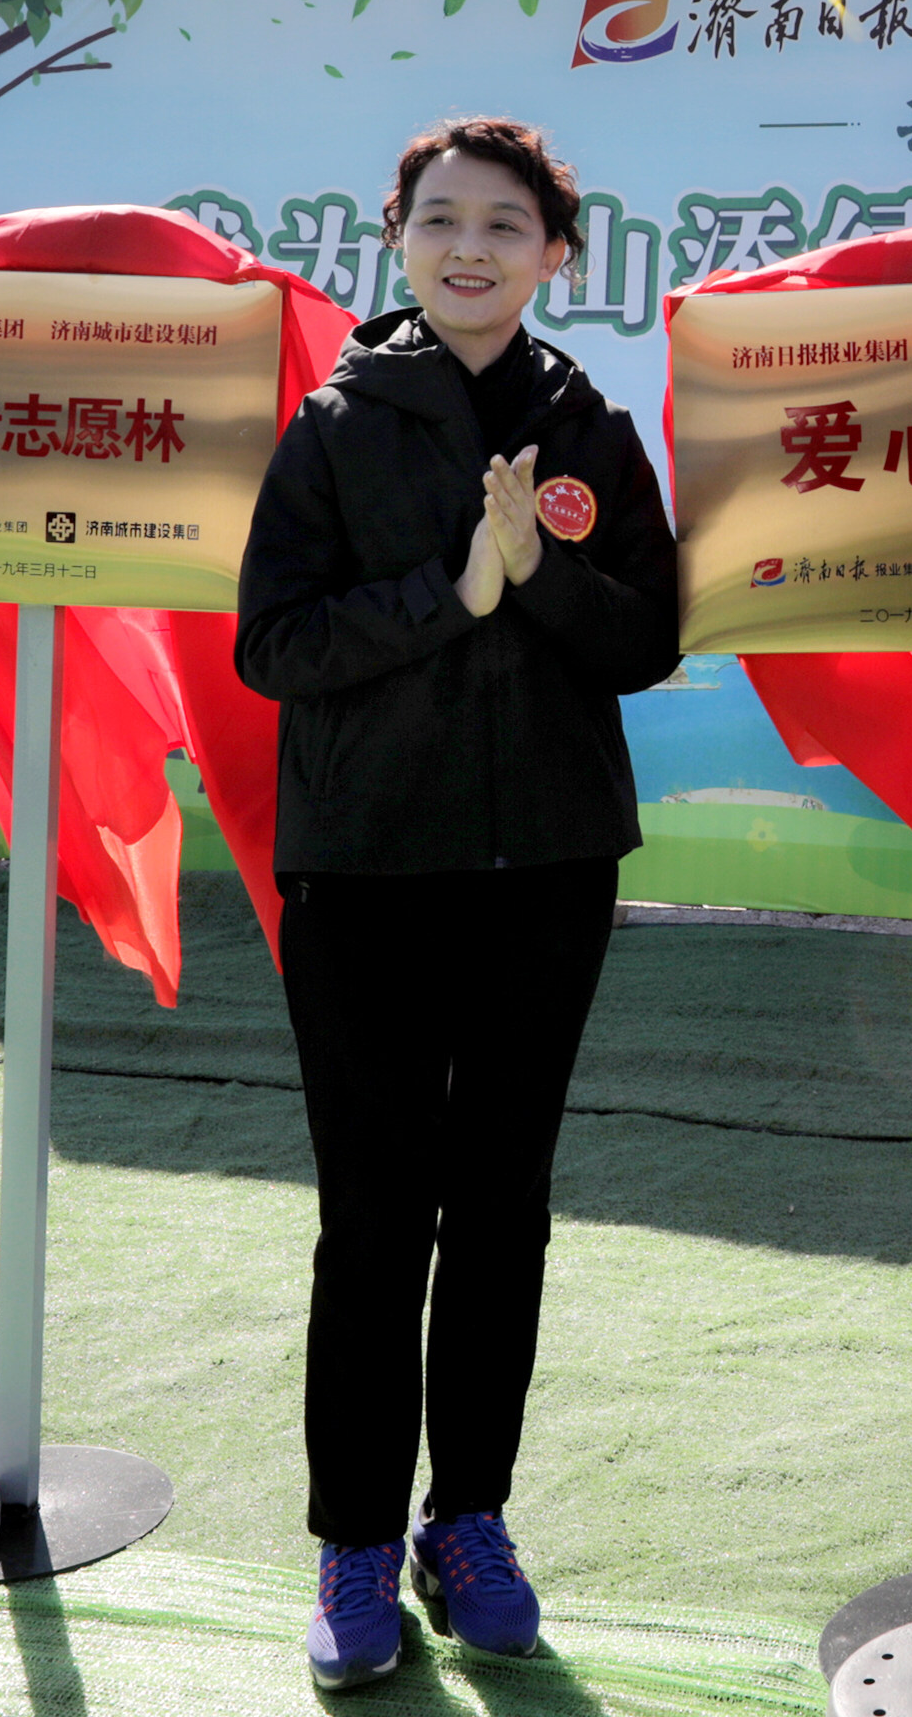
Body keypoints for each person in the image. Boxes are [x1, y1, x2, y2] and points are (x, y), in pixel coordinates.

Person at [234, 115, 679, 1691]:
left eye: (503, 224)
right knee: (373, 1218)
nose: (469, 247)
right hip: (360, 872)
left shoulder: (590, 427)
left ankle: (467, 1520)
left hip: (544, 872)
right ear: (398, 240)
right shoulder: (332, 426)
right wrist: (456, 592)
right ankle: (355, 1543)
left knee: (500, 1210)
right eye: (440, 220)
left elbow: (647, 641)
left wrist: (538, 578)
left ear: (555, 252)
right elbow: (273, 645)